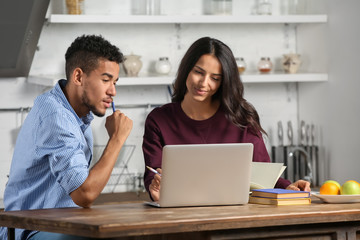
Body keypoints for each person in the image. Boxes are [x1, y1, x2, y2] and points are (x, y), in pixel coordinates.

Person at [142, 37, 310, 202]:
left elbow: (262, 176)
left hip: (234, 218)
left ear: (223, 82)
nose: (203, 83)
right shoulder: (158, 120)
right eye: (198, 72)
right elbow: (153, 173)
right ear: (186, 69)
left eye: (215, 78)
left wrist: (287, 188)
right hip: (179, 214)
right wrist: (155, 185)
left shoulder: (241, 119)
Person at [0, 35, 133, 240]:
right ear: (78, 77)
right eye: (105, 80)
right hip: (30, 229)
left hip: (64, 224)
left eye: (114, 82)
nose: (112, 91)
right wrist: (116, 139)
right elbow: (84, 194)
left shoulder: (78, 113)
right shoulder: (56, 116)